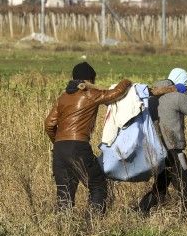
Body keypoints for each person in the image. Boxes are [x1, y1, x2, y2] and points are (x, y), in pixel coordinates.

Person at [44, 62, 132, 214]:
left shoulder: (63, 97)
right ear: (90, 80)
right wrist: (127, 82)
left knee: (65, 193)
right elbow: (116, 93)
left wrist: (59, 143)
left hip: (59, 149)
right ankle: (93, 224)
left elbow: (49, 124)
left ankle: (64, 230)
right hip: (78, 146)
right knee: (97, 185)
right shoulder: (91, 94)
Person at [137, 68, 187, 215]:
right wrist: (185, 93)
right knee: (185, 184)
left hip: (155, 149)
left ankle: (141, 211)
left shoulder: (150, 98)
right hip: (174, 150)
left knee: (161, 186)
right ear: (182, 82)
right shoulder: (177, 96)